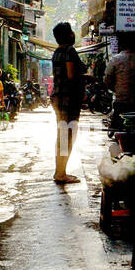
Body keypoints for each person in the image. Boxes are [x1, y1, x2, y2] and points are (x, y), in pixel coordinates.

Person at [50, 21, 85, 183]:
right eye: (71, 31)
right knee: (68, 136)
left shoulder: (56, 52)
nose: (73, 34)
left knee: (62, 134)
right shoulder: (70, 51)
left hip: (57, 97)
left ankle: (60, 171)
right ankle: (61, 173)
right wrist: (87, 77)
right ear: (68, 35)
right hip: (68, 99)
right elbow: (71, 75)